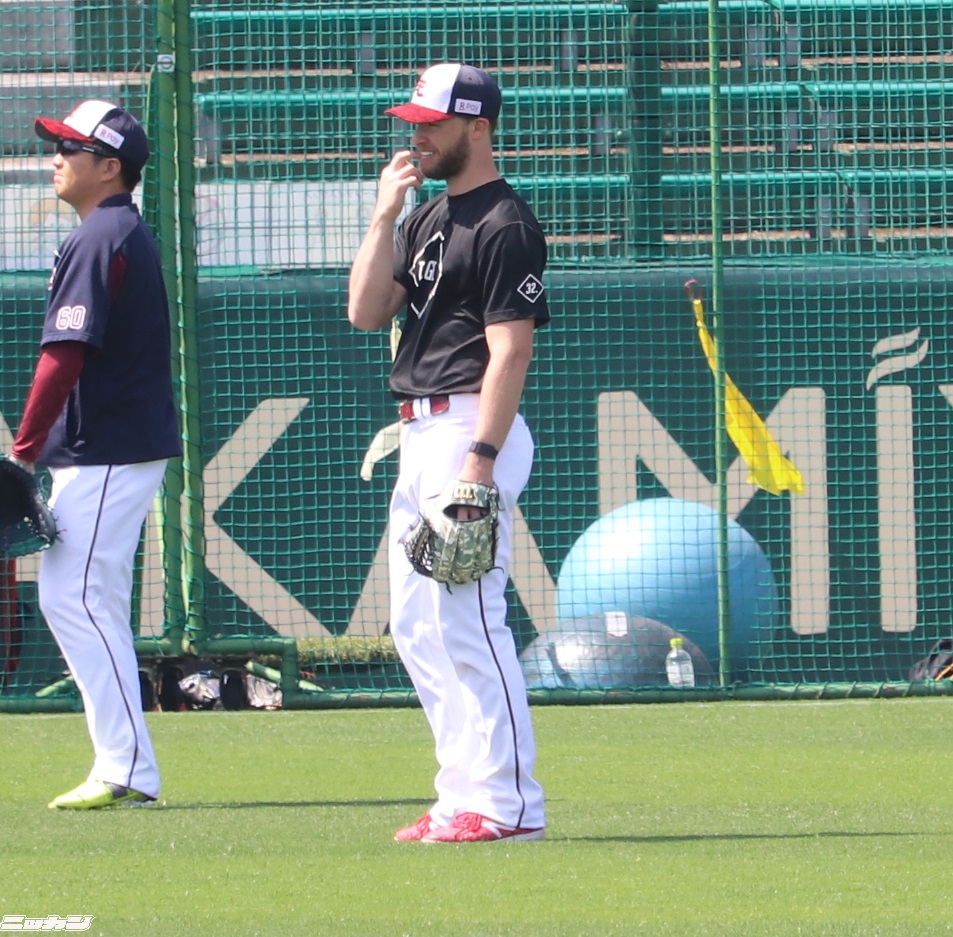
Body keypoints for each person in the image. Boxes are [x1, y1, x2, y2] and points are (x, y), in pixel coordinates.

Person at [348, 63, 550, 843]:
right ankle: (460, 793)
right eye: (414, 123)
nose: (418, 135)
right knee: (416, 625)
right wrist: (383, 215)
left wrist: (480, 459)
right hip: (421, 429)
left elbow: (511, 351)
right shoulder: (426, 217)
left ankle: (510, 804)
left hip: (469, 425)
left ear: (477, 126)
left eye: (432, 123)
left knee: (467, 616)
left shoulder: (504, 222)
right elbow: (366, 310)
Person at [10, 100, 181, 809]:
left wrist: (22, 453)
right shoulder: (114, 231)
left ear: (109, 167)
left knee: (72, 595)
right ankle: (126, 763)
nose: (56, 158)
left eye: (70, 148)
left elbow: (64, 355)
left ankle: (128, 765)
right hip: (112, 445)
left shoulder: (102, 234)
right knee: (90, 598)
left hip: (108, 446)